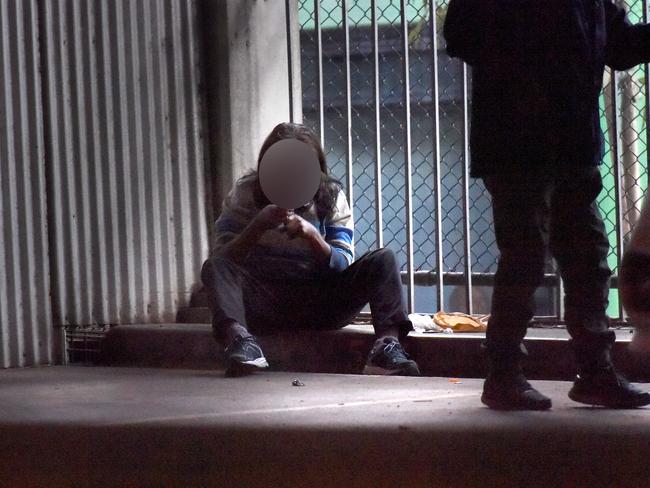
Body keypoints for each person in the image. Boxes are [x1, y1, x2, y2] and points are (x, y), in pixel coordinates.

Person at [444, 0, 650, 409]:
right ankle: (504, 374)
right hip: (518, 140)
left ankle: (592, 371)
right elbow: (462, 34)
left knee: (588, 259)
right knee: (527, 256)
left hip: (569, 143)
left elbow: (620, 45)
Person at [201, 122, 420, 377]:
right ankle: (240, 342)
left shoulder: (331, 196)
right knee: (214, 266)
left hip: (320, 302)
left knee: (384, 259)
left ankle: (387, 346)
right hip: (263, 302)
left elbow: (343, 263)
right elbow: (223, 257)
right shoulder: (245, 193)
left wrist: (313, 236)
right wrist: (257, 226)